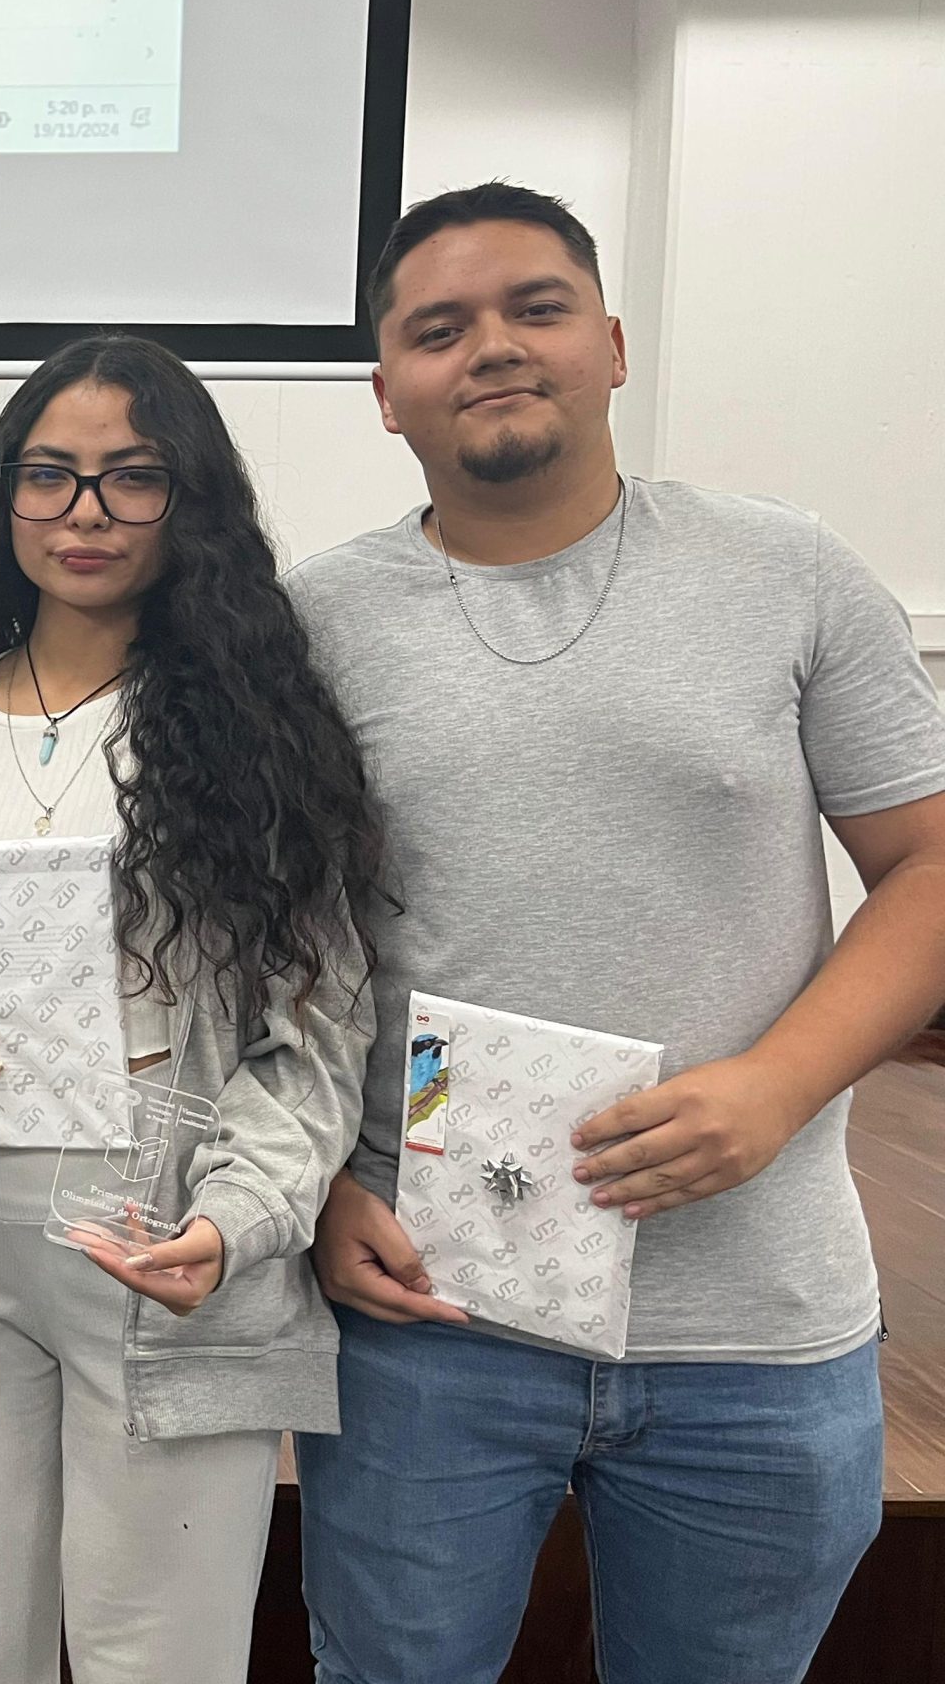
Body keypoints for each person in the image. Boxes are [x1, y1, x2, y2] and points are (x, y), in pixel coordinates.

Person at [289, 182, 945, 1684]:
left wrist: (774, 1089)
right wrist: (318, 1184)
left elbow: (929, 870)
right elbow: (274, 952)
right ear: (387, 395)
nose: (496, 349)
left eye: (538, 308)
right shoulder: (316, 623)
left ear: (615, 344)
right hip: (429, 1324)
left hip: (757, 1330)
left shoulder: (788, 574)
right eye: (440, 330)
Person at [0, 335, 383, 1682]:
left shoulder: (255, 735)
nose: (85, 512)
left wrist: (239, 1223)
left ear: (188, 504)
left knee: (161, 1656)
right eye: (51, 476)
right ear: (3, 501)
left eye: (131, 479)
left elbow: (314, 1032)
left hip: (170, 1257)